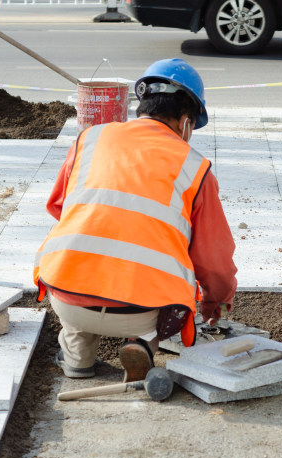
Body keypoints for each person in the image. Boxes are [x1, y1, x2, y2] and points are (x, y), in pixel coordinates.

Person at [34, 58, 238, 382]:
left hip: (68, 294)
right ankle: (142, 343)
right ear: (186, 122)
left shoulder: (90, 139)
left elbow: (59, 207)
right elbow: (214, 262)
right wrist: (216, 305)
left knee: (78, 267)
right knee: (159, 282)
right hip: (141, 312)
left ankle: (77, 358)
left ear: (141, 105)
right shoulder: (196, 169)